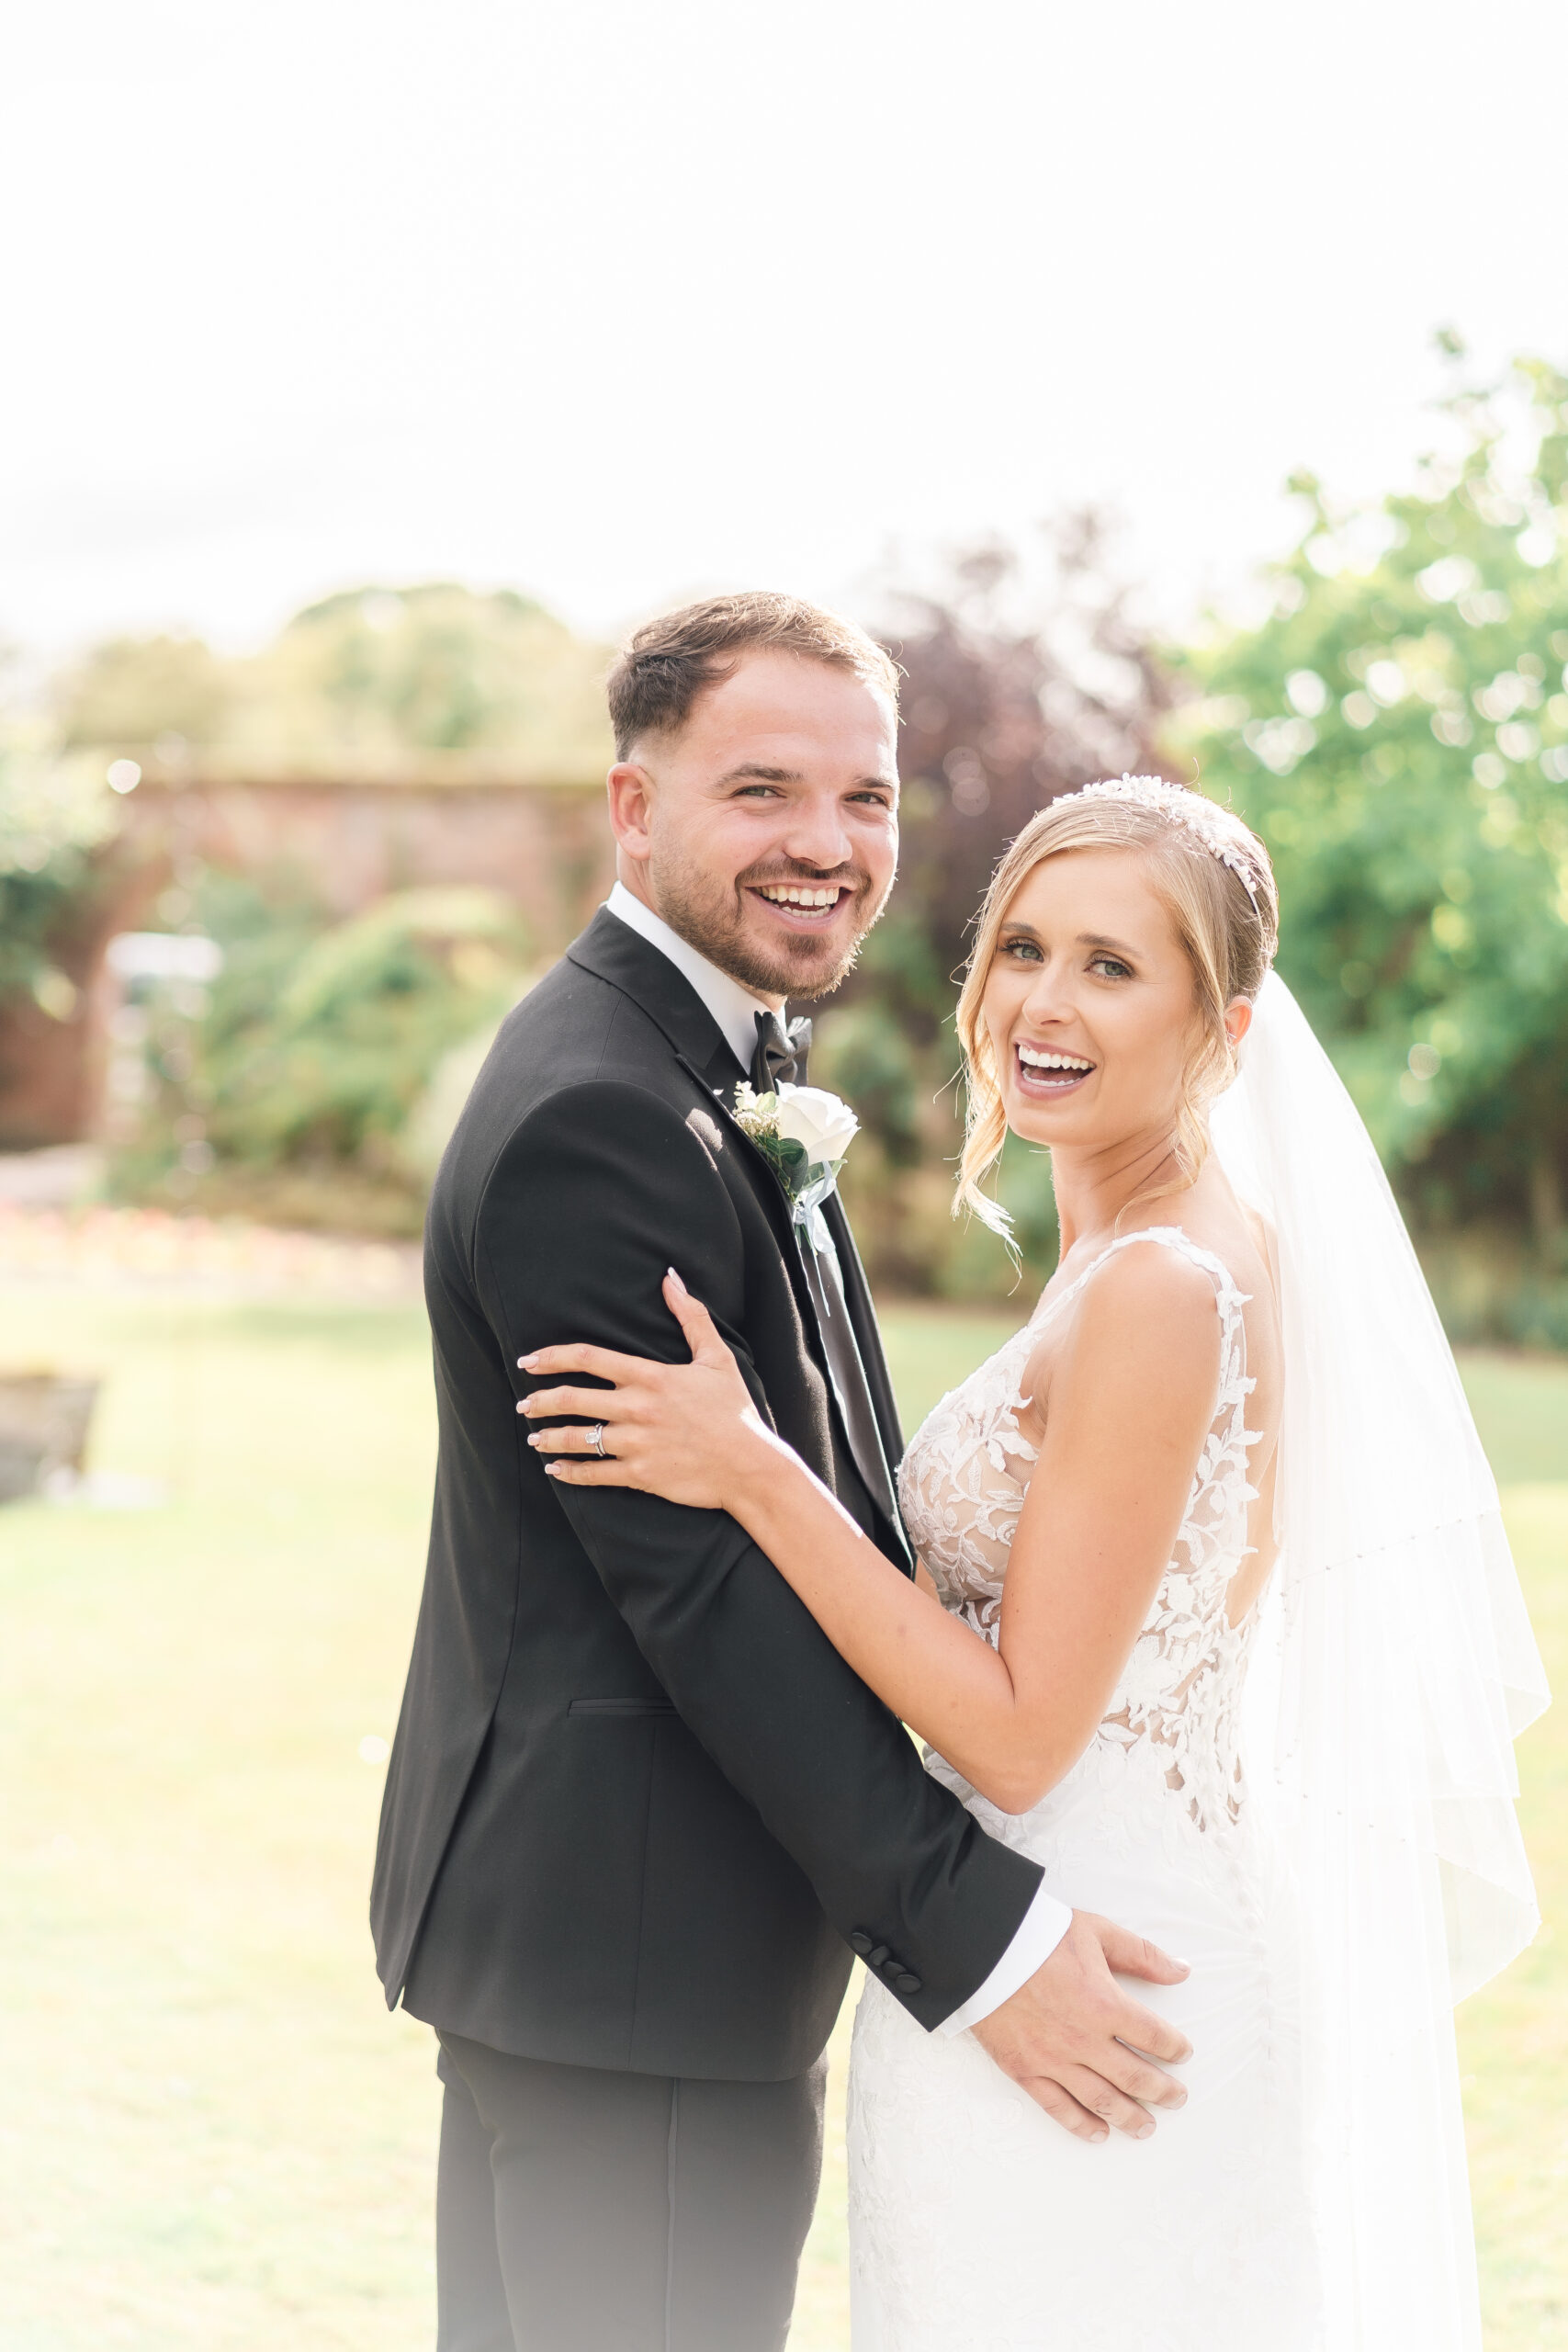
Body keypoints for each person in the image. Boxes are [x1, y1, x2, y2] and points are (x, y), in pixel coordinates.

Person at [525, 775, 1549, 2350]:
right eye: (1021, 949)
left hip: (1094, 1968)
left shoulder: (1160, 1285)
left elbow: (1014, 1730)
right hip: (1079, 1919)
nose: (1041, 1006)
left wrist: (751, 1467)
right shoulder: (1143, 1247)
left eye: (1113, 966)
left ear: (1226, 1022)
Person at [370, 598, 1194, 2352]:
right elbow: (705, 1605)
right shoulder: (604, 1112)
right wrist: (984, 1942)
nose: (828, 844)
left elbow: (807, 1507)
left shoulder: (697, 1066)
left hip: (610, 1965)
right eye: (765, 790)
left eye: (869, 799)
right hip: (640, 1972)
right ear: (635, 805)